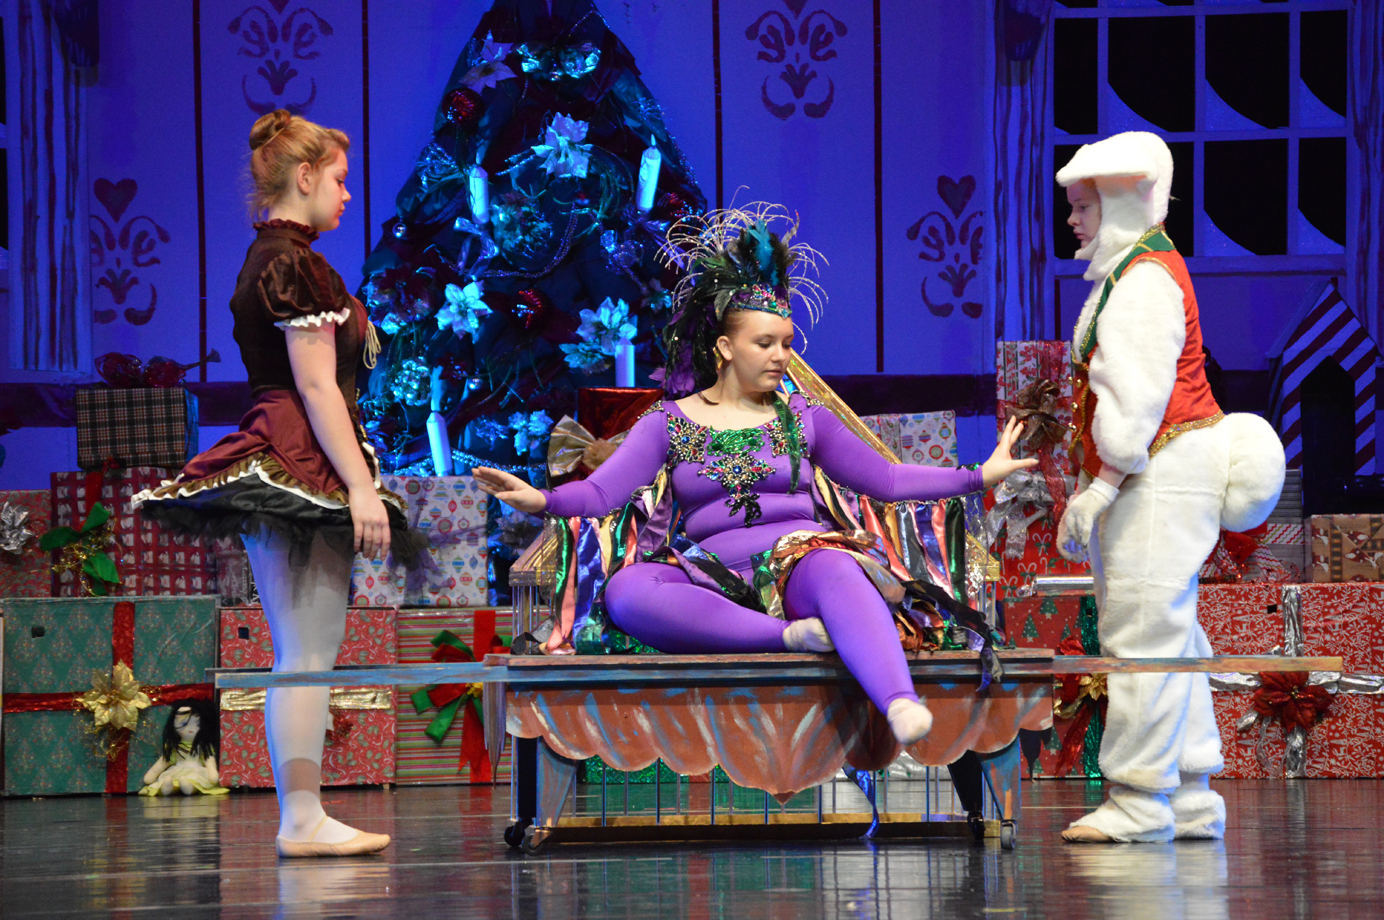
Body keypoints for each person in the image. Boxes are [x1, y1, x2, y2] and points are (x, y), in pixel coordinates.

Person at [474, 206, 1035, 746]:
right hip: (717, 578)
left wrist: (978, 476)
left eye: (787, 344)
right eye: (764, 343)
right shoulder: (667, 423)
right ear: (724, 347)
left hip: (799, 561)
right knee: (627, 590)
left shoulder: (805, 419)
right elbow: (601, 491)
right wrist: (541, 500)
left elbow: (885, 481)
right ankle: (789, 639)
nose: (780, 357)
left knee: (840, 568)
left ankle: (897, 700)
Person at [135, 109, 423, 857]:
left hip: (293, 443)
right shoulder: (292, 263)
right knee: (304, 649)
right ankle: (300, 817)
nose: (347, 194)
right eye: (338, 179)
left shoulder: (278, 255)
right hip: (297, 447)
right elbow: (319, 386)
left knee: (305, 646)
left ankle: (303, 813)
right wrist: (360, 487)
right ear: (304, 177)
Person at [1054, 132, 1284, 843]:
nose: (1072, 220)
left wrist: (1103, 481)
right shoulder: (1134, 271)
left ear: (1122, 202)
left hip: (1159, 468)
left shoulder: (1144, 279)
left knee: (1142, 634)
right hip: (1162, 468)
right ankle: (1187, 794)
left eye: (1084, 205)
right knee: (1173, 630)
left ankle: (1138, 798)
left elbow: (1136, 393)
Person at [139, 699, 228, 797]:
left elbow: (209, 762)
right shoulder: (175, 747)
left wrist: (213, 774)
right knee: (170, 779)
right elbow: (163, 762)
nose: (191, 729)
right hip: (177, 771)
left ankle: (190, 787)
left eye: (198, 724)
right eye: (184, 724)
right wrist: (151, 775)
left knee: (195, 781)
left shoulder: (203, 747)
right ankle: (169, 788)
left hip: (197, 771)